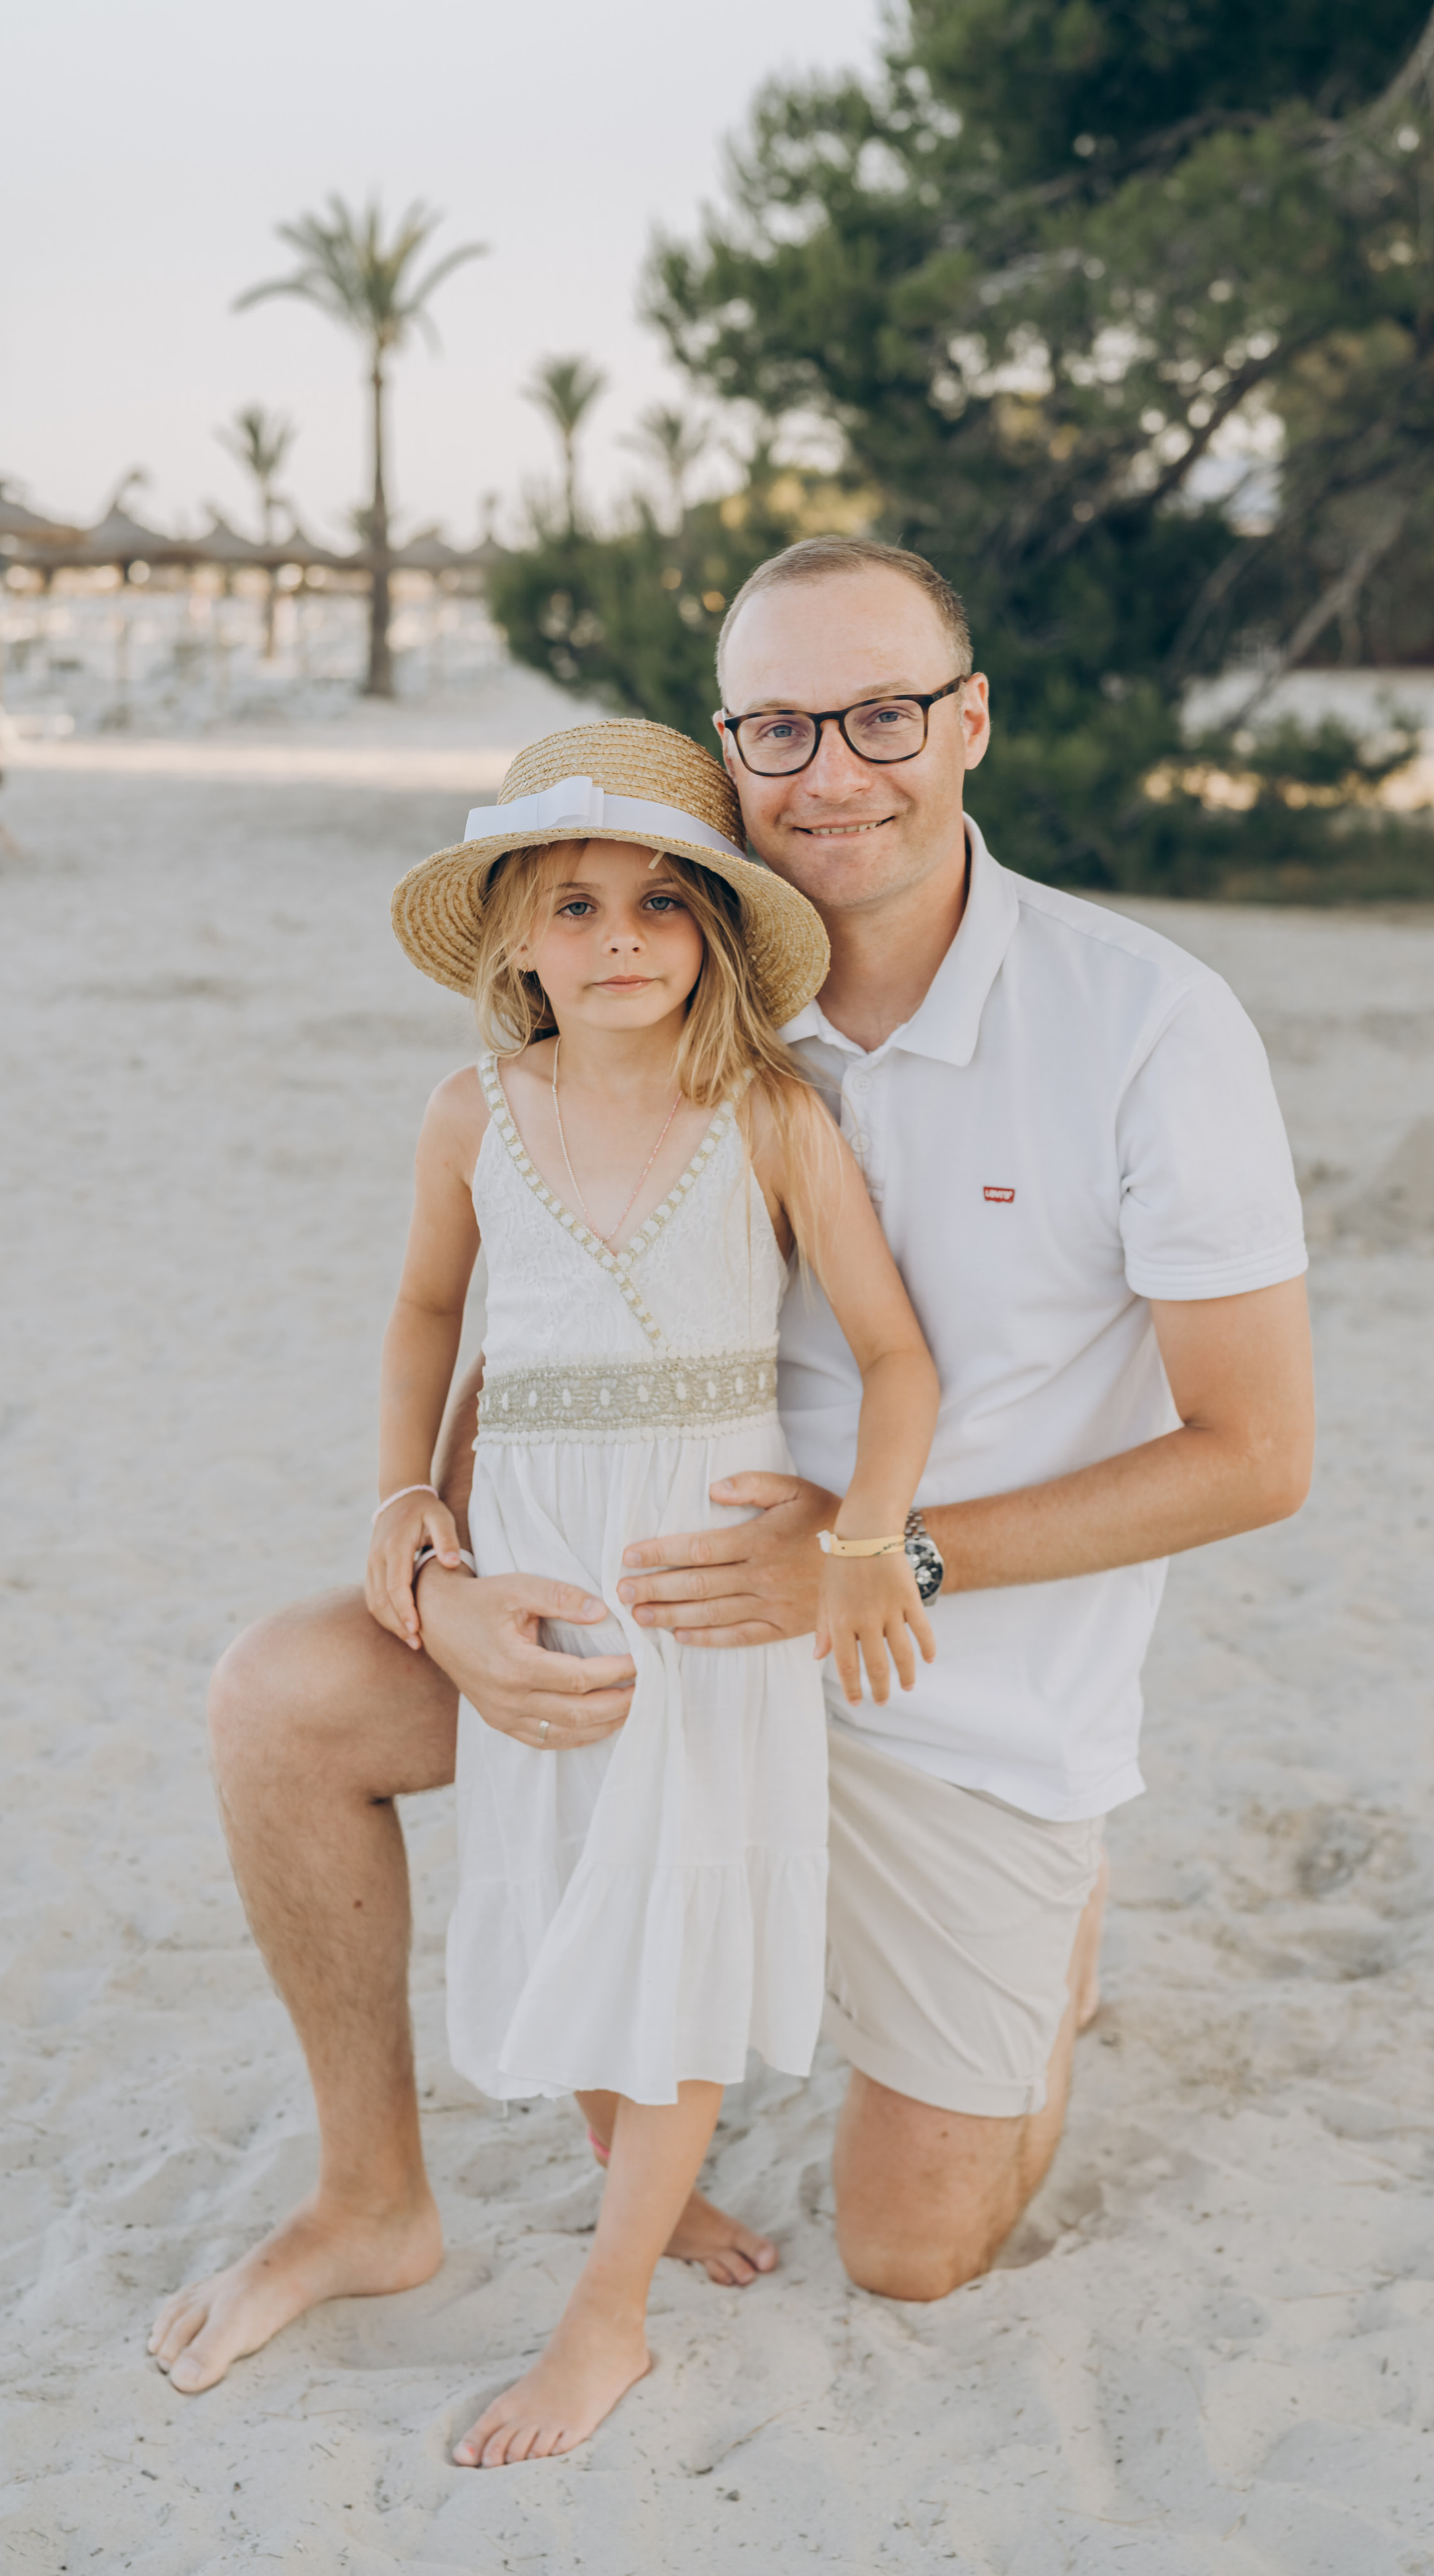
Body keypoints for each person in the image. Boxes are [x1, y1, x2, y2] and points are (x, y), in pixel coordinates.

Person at [150, 534, 1314, 2420]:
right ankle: (371, 2197)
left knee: (910, 2253)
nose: (831, 768)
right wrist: (434, 1576)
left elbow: (1260, 1456)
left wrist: (889, 1556)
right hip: (647, 1626)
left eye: (881, 714)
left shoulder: (1145, 1027)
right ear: (725, 751)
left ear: (972, 722)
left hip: (934, 1694)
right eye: (781, 725)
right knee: (279, 1699)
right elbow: (510, 1318)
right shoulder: (651, 1017)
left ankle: (1052, 1925)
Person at [384, 719, 937, 2463]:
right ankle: (650, 2190)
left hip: (705, 1570)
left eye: (657, 905)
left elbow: (897, 1356)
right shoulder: (475, 1112)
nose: (617, 937)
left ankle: (605, 2320)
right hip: (540, 1547)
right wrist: (407, 1504)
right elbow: (423, 1316)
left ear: (711, 928)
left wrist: (862, 1535)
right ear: (514, 939)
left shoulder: (769, 1117)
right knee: (564, 1899)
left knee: (672, 1925)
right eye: (572, 904)